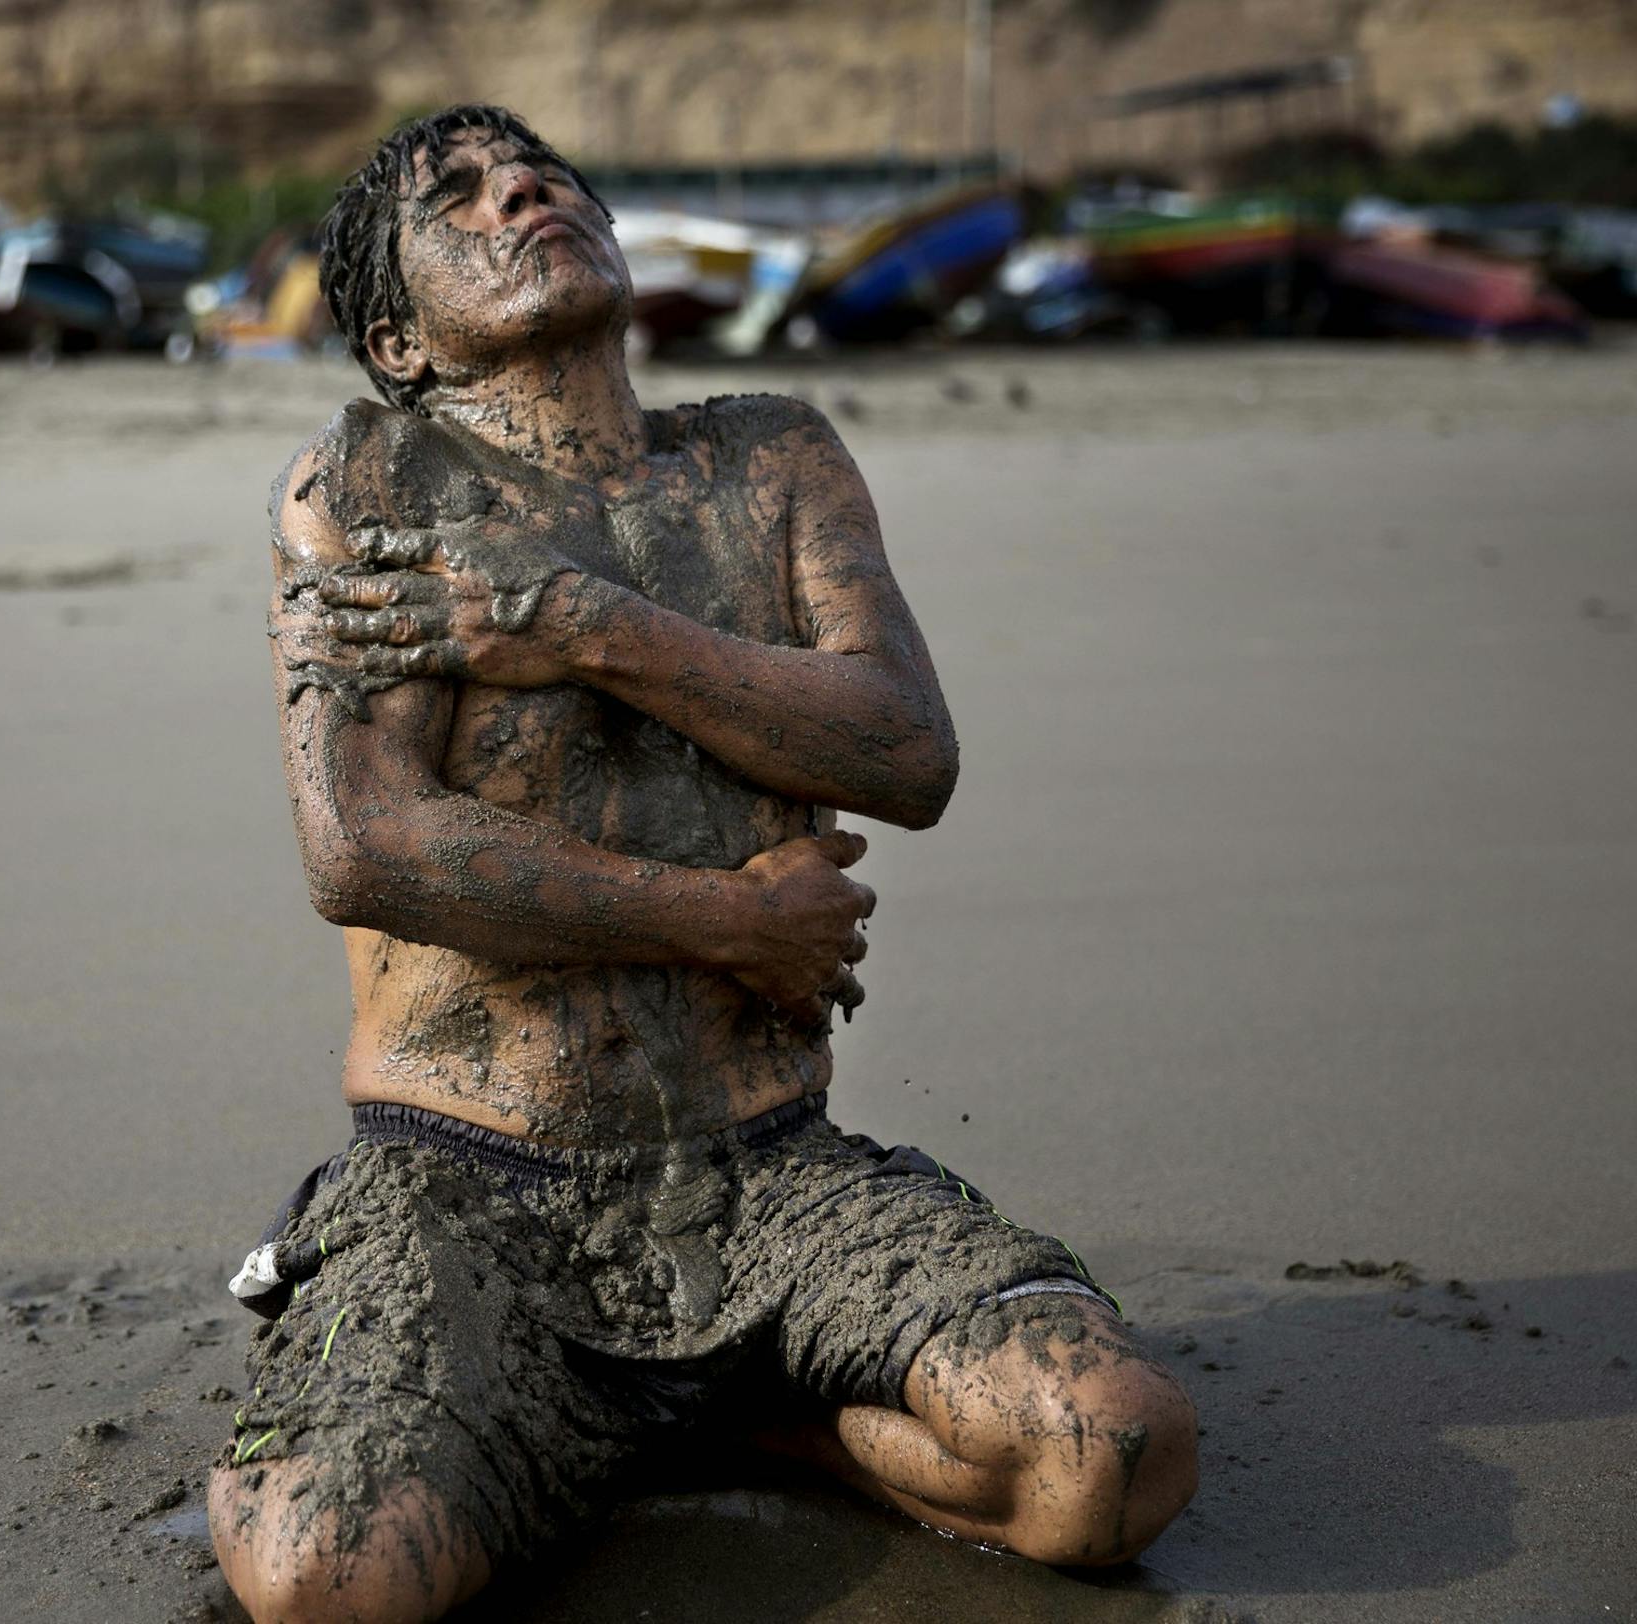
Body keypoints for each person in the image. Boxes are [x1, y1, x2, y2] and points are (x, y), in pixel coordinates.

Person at [208, 104, 1197, 1623]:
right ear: (399, 339)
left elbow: (904, 749)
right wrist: (722, 922)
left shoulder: (772, 459)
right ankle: (466, 1389)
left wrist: (582, 627)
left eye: (537, 170)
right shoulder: (366, 484)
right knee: (328, 1573)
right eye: (455, 197)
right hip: (467, 1191)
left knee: (1110, 1455)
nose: (520, 189)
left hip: (766, 1178)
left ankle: (739, 1410)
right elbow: (365, 845)